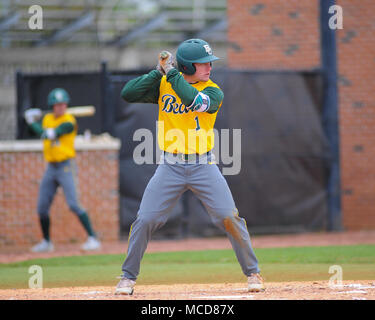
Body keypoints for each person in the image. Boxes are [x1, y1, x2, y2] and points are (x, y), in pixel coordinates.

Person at [115, 39, 264, 295]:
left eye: (209, 63)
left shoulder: (213, 90)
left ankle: (253, 272)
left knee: (229, 216)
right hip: (169, 166)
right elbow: (128, 93)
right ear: (187, 65)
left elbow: (194, 101)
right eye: (203, 63)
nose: (209, 67)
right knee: (145, 219)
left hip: (203, 164)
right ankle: (127, 277)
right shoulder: (165, 84)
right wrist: (158, 72)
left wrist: (172, 73)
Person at [24, 88, 101, 252]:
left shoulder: (69, 121)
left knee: (74, 204)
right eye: (57, 104)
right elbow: (35, 132)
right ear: (52, 106)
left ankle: (93, 238)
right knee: (42, 207)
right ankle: (46, 242)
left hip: (66, 166)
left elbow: (50, 135)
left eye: (62, 104)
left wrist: (31, 122)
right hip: (50, 167)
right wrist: (32, 122)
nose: (60, 107)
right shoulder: (47, 118)